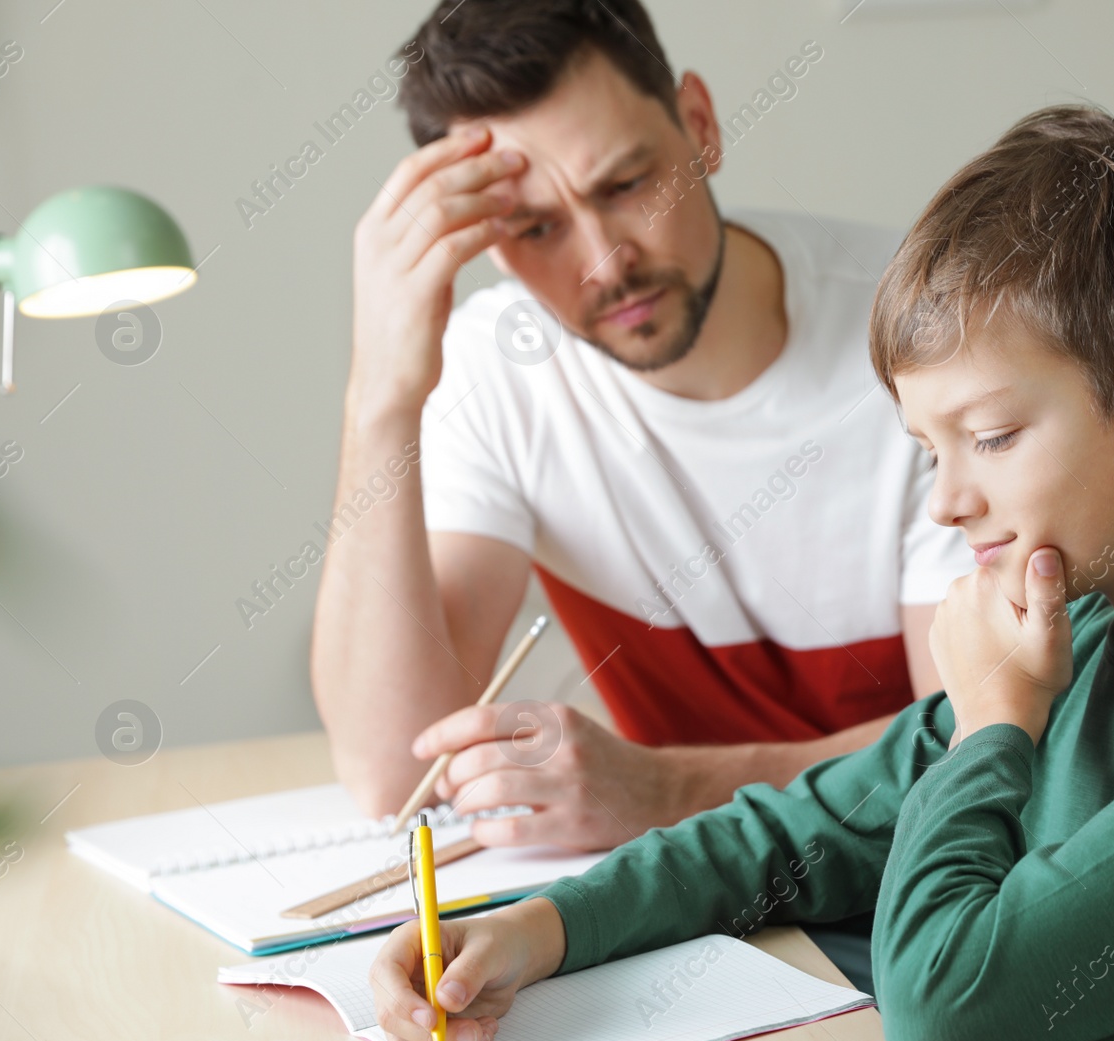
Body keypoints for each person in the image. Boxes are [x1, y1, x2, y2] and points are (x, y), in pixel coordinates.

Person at [366, 105, 1114, 1041]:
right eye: (928, 451)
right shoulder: (1069, 633)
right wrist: (534, 927)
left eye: (987, 436)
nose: (945, 503)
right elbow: (800, 831)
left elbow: (947, 1013)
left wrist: (993, 727)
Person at [310, 0, 972, 850]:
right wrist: (380, 398)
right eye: (535, 227)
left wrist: (667, 789)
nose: (604, 262)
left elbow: (972, 756)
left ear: (699, 124)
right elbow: (391, 770)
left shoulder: (936, 334)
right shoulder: (497, 373)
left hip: (921, 899)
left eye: (625, 186)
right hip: (701, 903)